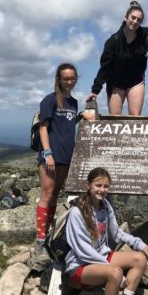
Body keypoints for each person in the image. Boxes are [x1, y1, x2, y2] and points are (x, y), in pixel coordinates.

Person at [65, 167, 148, 295]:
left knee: (139, 258)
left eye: (106, 186)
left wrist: (141, 244)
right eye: (98, 185)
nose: (102, 190)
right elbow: (82, 250)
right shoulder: (77, 212)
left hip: (100, 257)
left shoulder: (105, 206)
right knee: (115, 273)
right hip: (80, 265)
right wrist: (112, 269)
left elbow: (117, 234)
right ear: (88, 185)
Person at [29, 63, 94, 268]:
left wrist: (80, 115)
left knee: (55, 195)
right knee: (47, 195)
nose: (69, 81)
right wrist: (47, 153)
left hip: (67, 156)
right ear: (58, 79)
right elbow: (44, 127)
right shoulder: (49, 100)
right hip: (51, 156)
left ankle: (48, 233)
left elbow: (65, 124)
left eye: (72, 78)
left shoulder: (73, 102)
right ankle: (40, 240)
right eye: (65, 78)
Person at [88, 1, 148, 116]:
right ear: (125, 17)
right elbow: (105, 68)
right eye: (133, 18)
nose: (135, 21)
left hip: (136, 81)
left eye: (139, 20)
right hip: (115, 82)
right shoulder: (113, 41)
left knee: (135, 118)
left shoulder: (144, 34)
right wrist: (95, 90)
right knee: (115, 118)